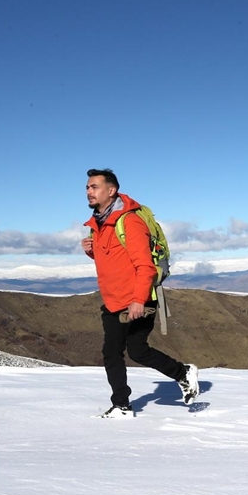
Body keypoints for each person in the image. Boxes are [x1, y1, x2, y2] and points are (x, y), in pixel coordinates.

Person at [81, 169, 198, 418]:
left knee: (137, 350)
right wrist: (90, 250)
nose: (89, 191)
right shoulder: (98, 224)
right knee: (112, 353)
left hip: (138, 299)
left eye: (94, 187)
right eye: (88, 187)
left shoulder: (129, 221)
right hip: (113, 300)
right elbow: (113, 261)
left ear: (111, 191)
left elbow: (144, 265)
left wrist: (138, 300)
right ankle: (121, 405)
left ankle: (183, 373)